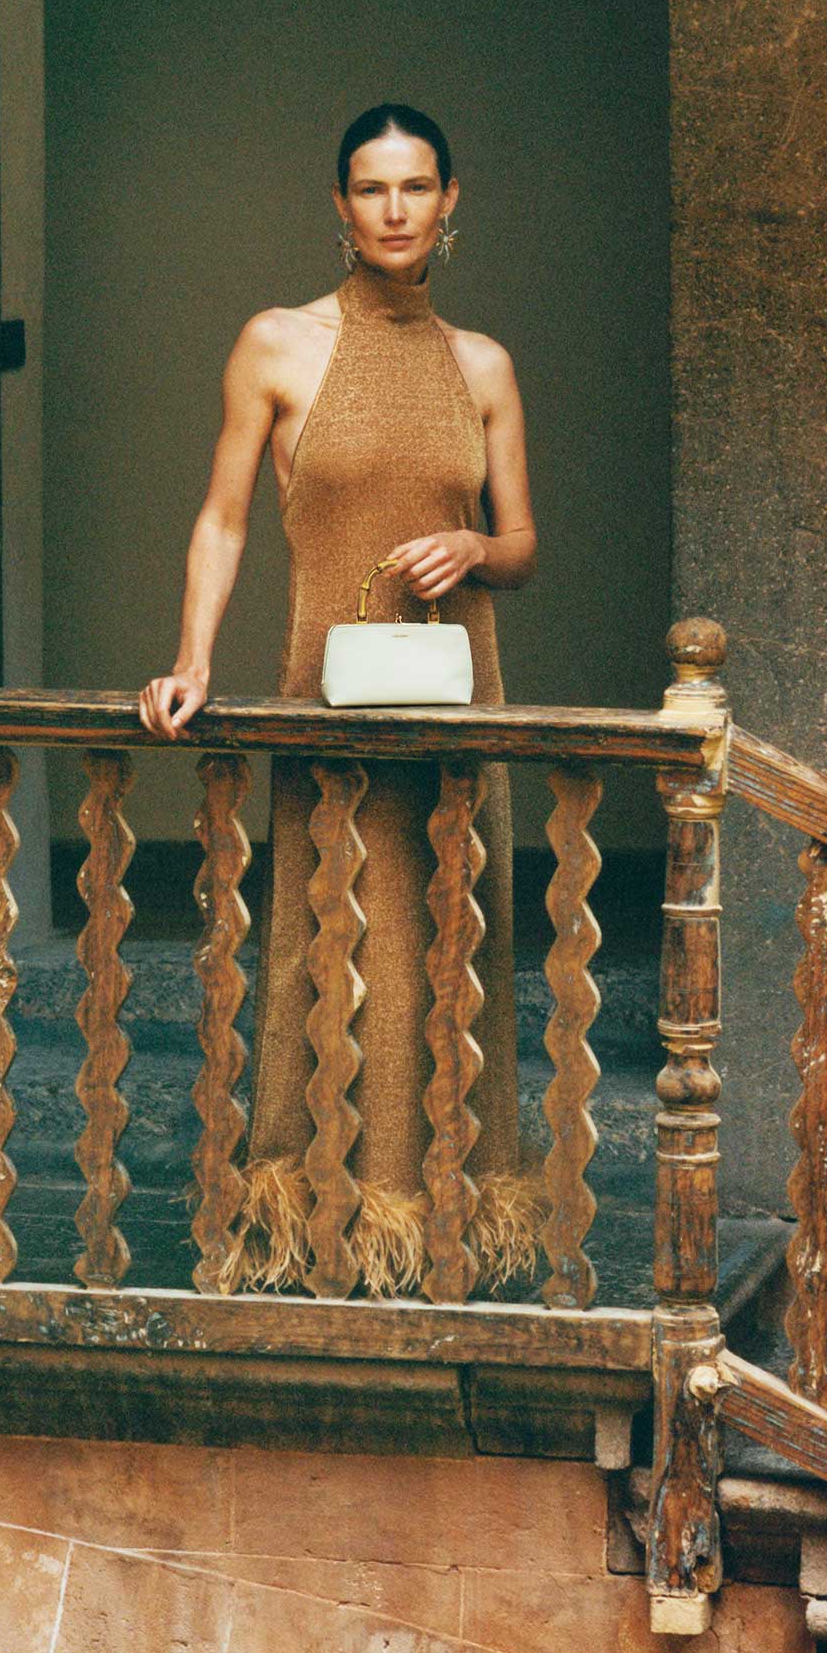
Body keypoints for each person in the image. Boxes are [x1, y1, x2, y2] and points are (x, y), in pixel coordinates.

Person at [139, 103, 540, 1294]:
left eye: (416, 186)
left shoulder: (483, 365)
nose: (396, 209)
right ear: (339, 206)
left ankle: (444, 1221)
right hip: (330, 698)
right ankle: (322, 1215)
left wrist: (470, 549)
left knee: (452, 948)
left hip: (459, 705)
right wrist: (192, 659)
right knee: (340, 947)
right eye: (372, 189)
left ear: (450, 199)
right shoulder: (276, 342)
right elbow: (222, 516)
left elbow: (522, 543)